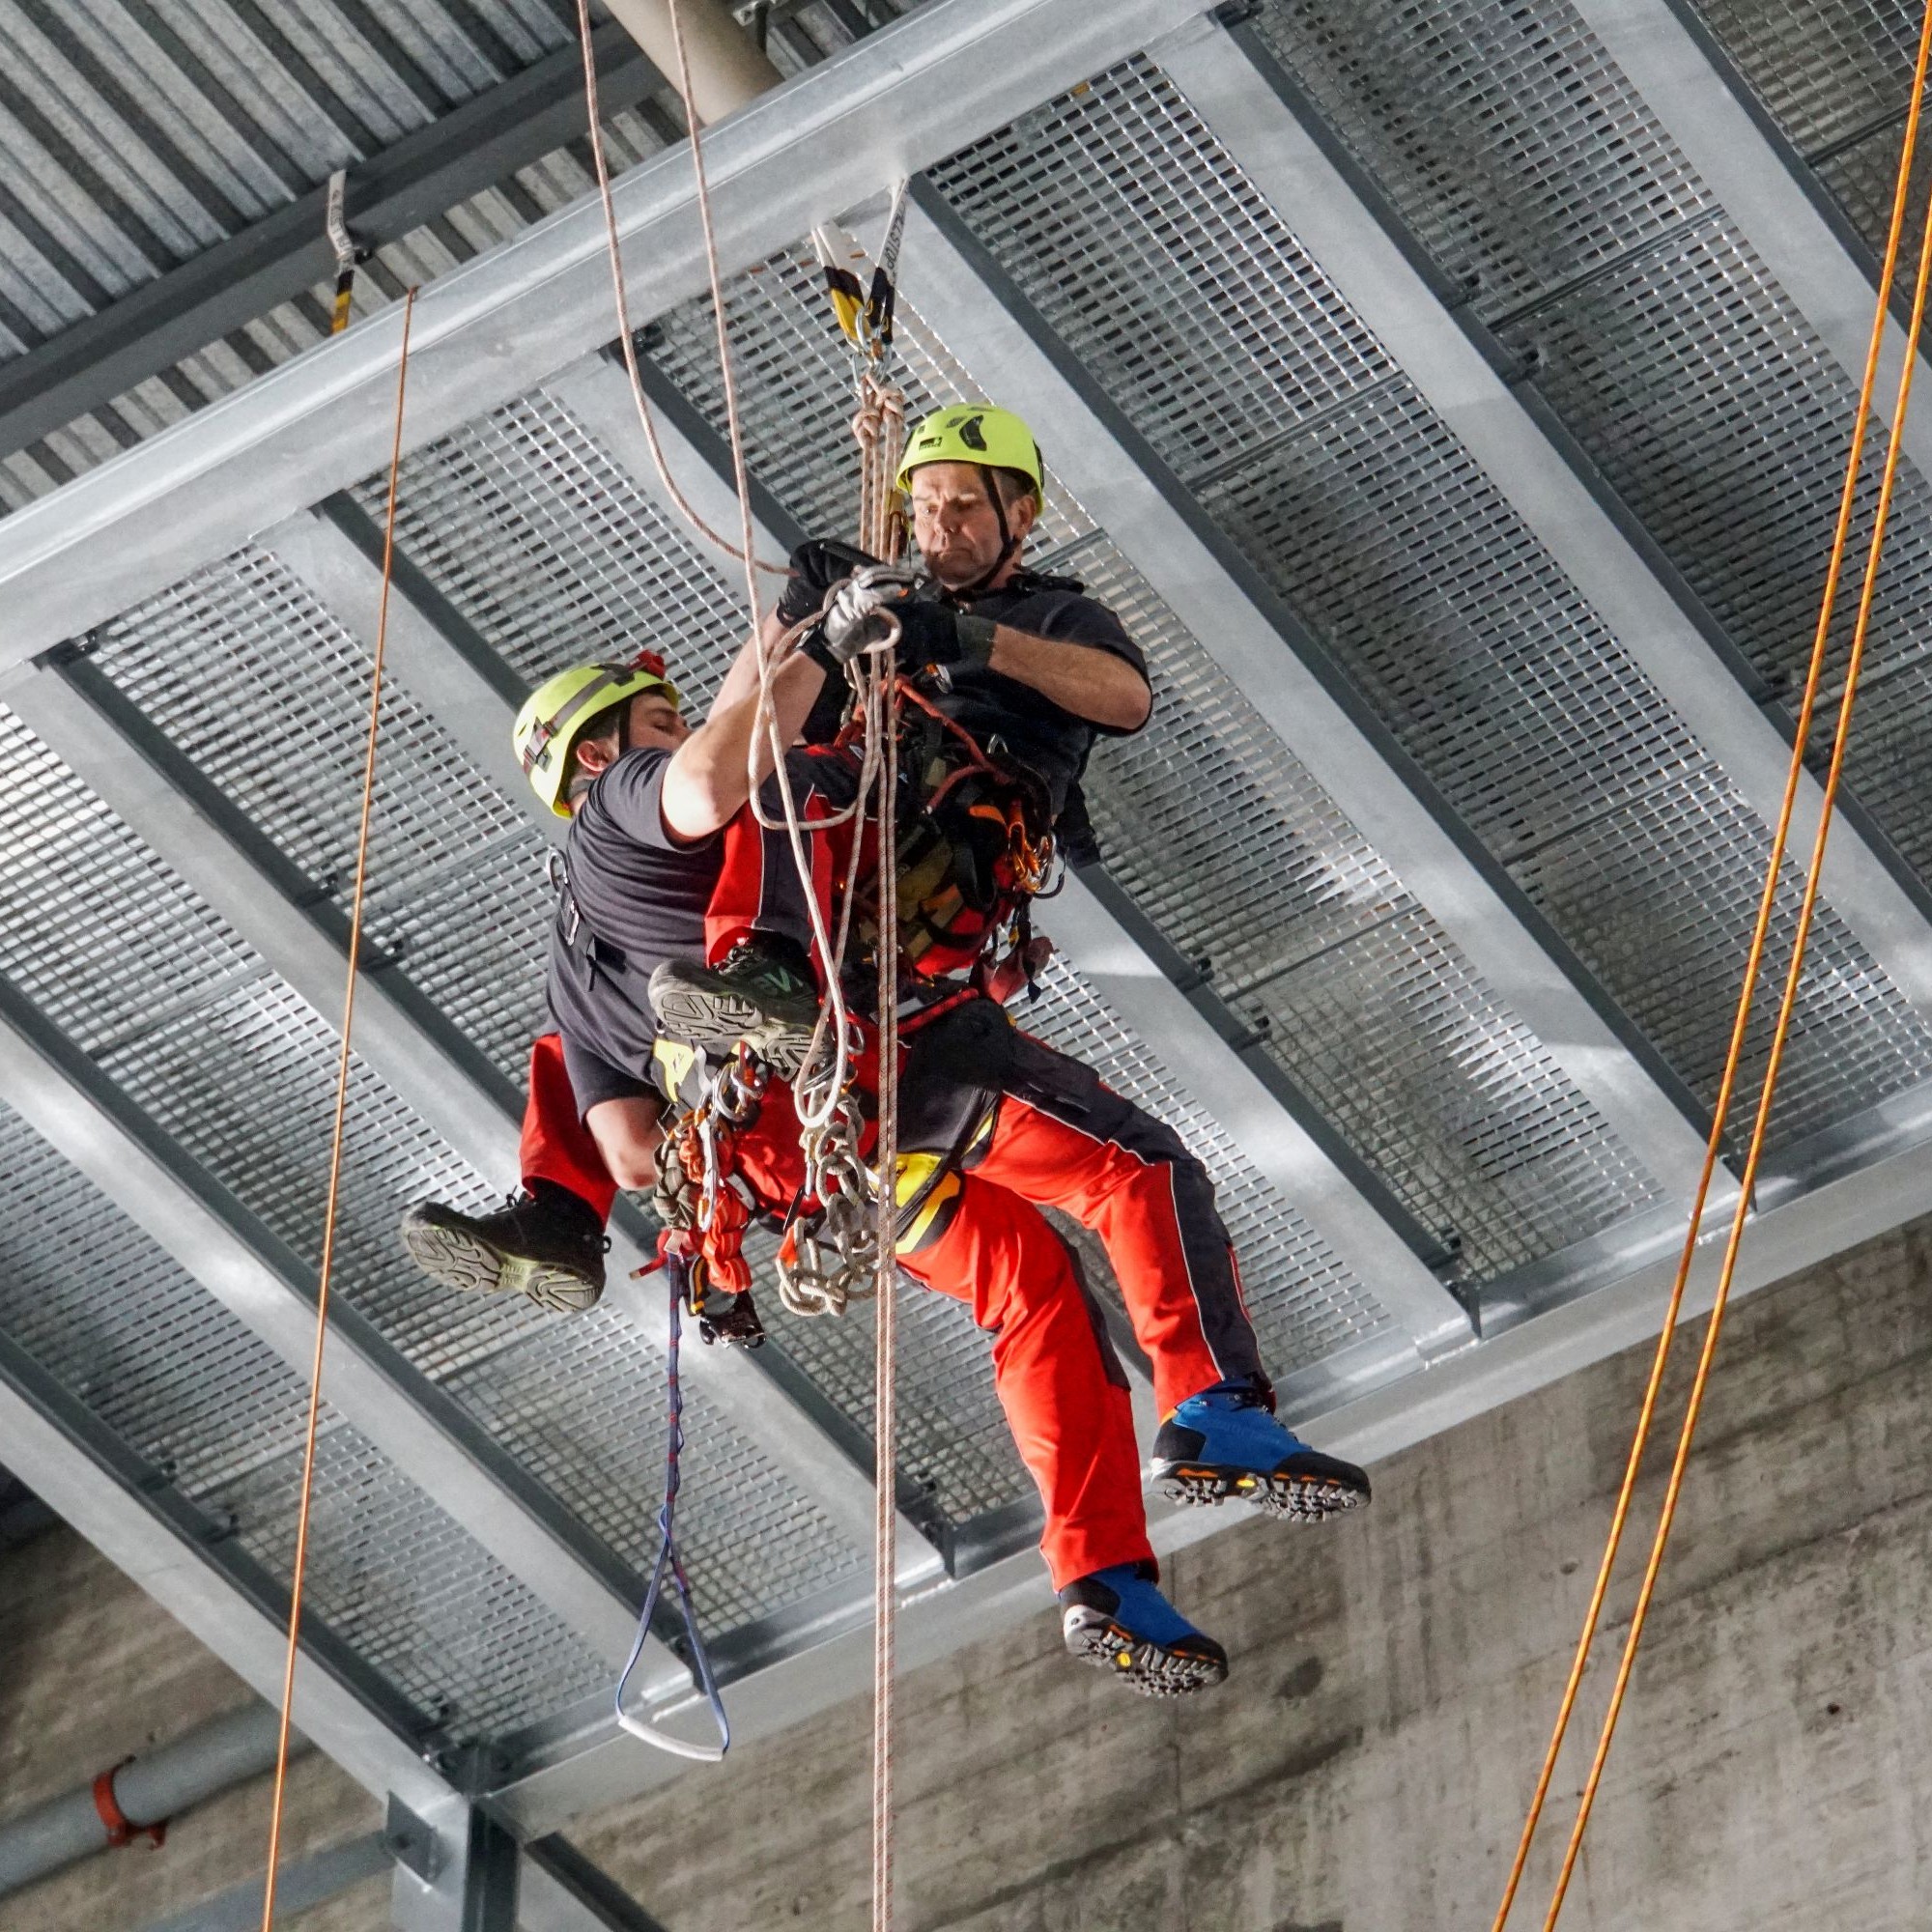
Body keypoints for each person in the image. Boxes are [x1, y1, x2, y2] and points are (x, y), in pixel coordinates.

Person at [400, 404, 1373, 1690]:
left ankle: (1106, 1588)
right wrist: (815, 626)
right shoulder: (645, 803)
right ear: (607, 738)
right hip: (889, 1038)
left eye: (968, 504)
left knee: (1031, 1284)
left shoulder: (584, 945)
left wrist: (916, 627)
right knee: (1130, 1169)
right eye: (927, 507)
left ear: (1023, 512)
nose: (942, 525)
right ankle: (1214, 1412)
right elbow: (727, 763)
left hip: (808, 1155)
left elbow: (632, 1149)